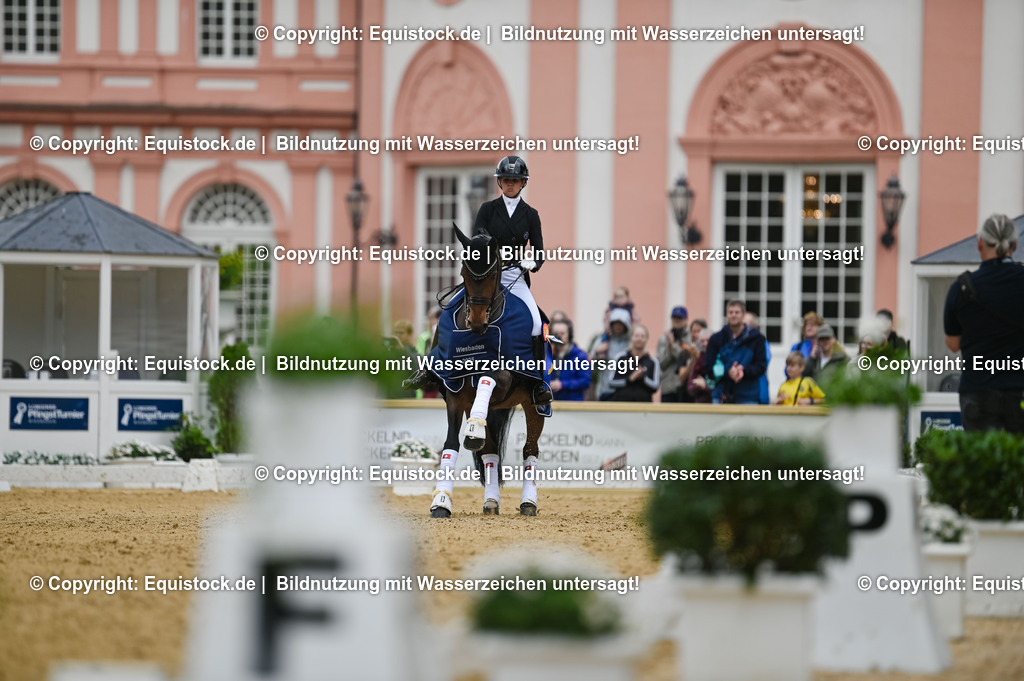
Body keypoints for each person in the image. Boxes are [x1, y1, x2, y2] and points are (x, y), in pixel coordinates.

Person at [470, 155, 550, 409]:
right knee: (452, 309)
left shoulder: (531, 215)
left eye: (515, 180)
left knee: (537, 323)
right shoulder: (487, 209)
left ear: (523, 183)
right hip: (486, 276)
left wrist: (532, 263)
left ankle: (538, 383)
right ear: (500, 182)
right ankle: (434, 366)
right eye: (506, 180)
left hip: (514, 277)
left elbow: (539, 251)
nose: (510, 184)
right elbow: (477, 241)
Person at [943, 213, 1024, 433]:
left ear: (979, 244)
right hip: (1020, 390)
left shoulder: (961, 289)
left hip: (977, 391)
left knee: (982, 464)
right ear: (1014, 245)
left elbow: (952, 344)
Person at [702, 300, 767, 404]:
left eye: (737, 312)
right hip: (721, 395)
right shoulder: (716, 339)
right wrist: (728, 372)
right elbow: (708, 367)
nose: (733, 315)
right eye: (730, 312)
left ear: (743, 315)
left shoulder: (756, 338)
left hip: (748, 396)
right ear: (726, 315)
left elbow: (761, 366)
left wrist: (743, 371)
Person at [608, 324, 660, 402]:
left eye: (642, 336)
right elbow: (611, 382)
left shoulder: (653, 361)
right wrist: (629, 379)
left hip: (644, 407)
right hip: (621, 404)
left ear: (647, 339)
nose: (639, 339)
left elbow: (655, 386)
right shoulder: (620, 358)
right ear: (631, 338)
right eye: (636, 336)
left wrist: (643, 378)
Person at [590, 307, 632, 400]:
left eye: (621, 324)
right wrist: (597, 354)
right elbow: (592, 368)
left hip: (625, 390)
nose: (618, 326)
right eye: (615, 323)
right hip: (605, 390)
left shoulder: (631, 343)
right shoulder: (602, 341)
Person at [547, 319, 591, 401]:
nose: (558, 336)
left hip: (572, 403)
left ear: (569, 334)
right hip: (551, 402)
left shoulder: (580, 356)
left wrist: (563, 384)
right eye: (556, 333)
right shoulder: (548, 355)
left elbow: (585, 381)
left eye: (562, 333)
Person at [656, 306, 689, 402]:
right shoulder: (663, 339)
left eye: (680, 318)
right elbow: (661, 363)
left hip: (685, 387)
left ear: (686, 320)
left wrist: (673, 347)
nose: (677, 320)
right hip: (668, 387)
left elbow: (687, 359)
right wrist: (669, 349)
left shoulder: (690, 338)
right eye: (675, 318)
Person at [744, 311, 771, 405]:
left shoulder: (762, 342)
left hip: (759, 390)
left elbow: (764, 362)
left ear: (756, 327)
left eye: (749, 325)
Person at [686, 328, 715, 403]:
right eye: (702, 341)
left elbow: (723, 390)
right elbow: (690, 388)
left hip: (717, 404)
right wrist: (698, 385)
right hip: (700, 405)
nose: (705, 344)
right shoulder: (698, 361)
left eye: (708, 340)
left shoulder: (720, 359)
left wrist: (705, 386)